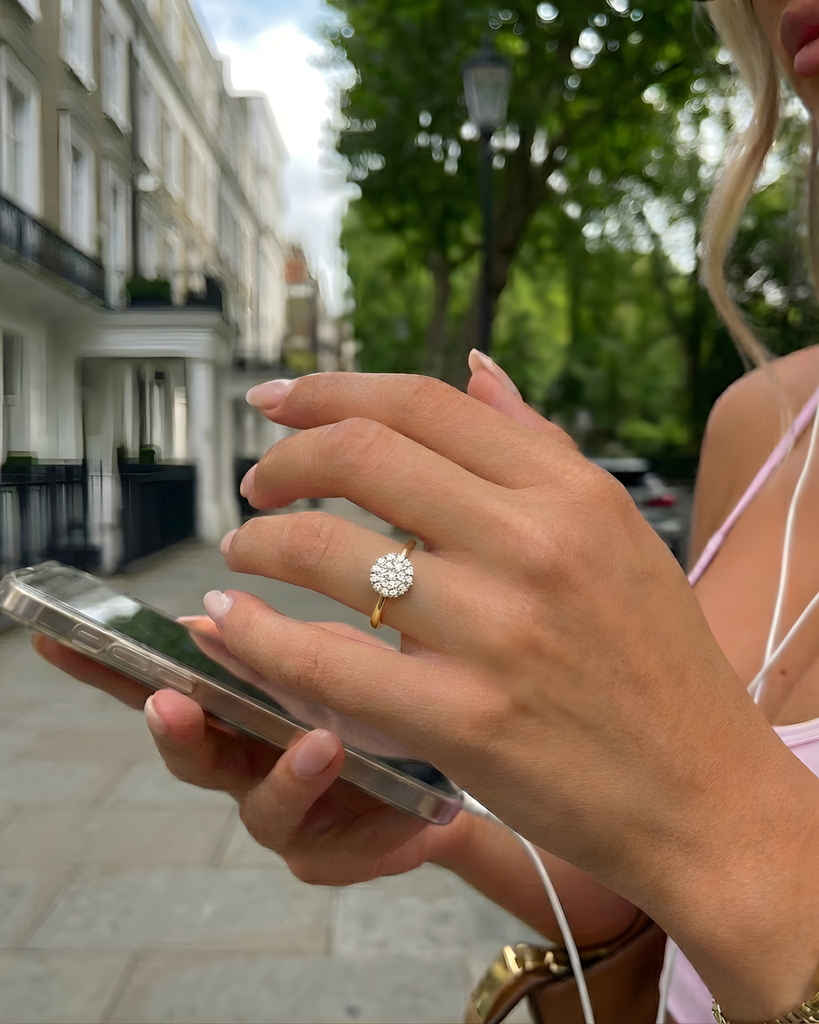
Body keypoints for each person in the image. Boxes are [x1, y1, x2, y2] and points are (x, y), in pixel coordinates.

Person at [33, 1, 819, 1021]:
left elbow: (727, 849)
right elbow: (656, 904)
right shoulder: (765, 425)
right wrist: (434, 800)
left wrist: (716, 817)